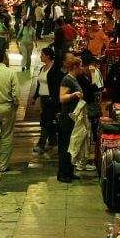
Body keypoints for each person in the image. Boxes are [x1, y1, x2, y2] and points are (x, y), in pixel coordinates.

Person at [58, 55, 84, 183]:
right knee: (66, 145)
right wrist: (74, 95)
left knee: (72, 144)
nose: (82, 68)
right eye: (80, 66)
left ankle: (69, 171)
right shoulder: (67, 80)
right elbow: (62, 98)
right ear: (75, 67)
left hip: (73, 117)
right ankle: (63, 173)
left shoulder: (74, 79)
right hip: (67, 117)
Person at [32, 47, 62, 153]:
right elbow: (39, 84)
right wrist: (35, 97)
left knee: (46, 121)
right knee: (47, 120)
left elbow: (57, 85)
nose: (40, 56)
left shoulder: (54, 68)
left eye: (42, 55)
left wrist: (53, 97)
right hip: (43, 99)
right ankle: (53, 141)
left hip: (51, 99)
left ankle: (41, 144)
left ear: (48, 56)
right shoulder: (42, 68)